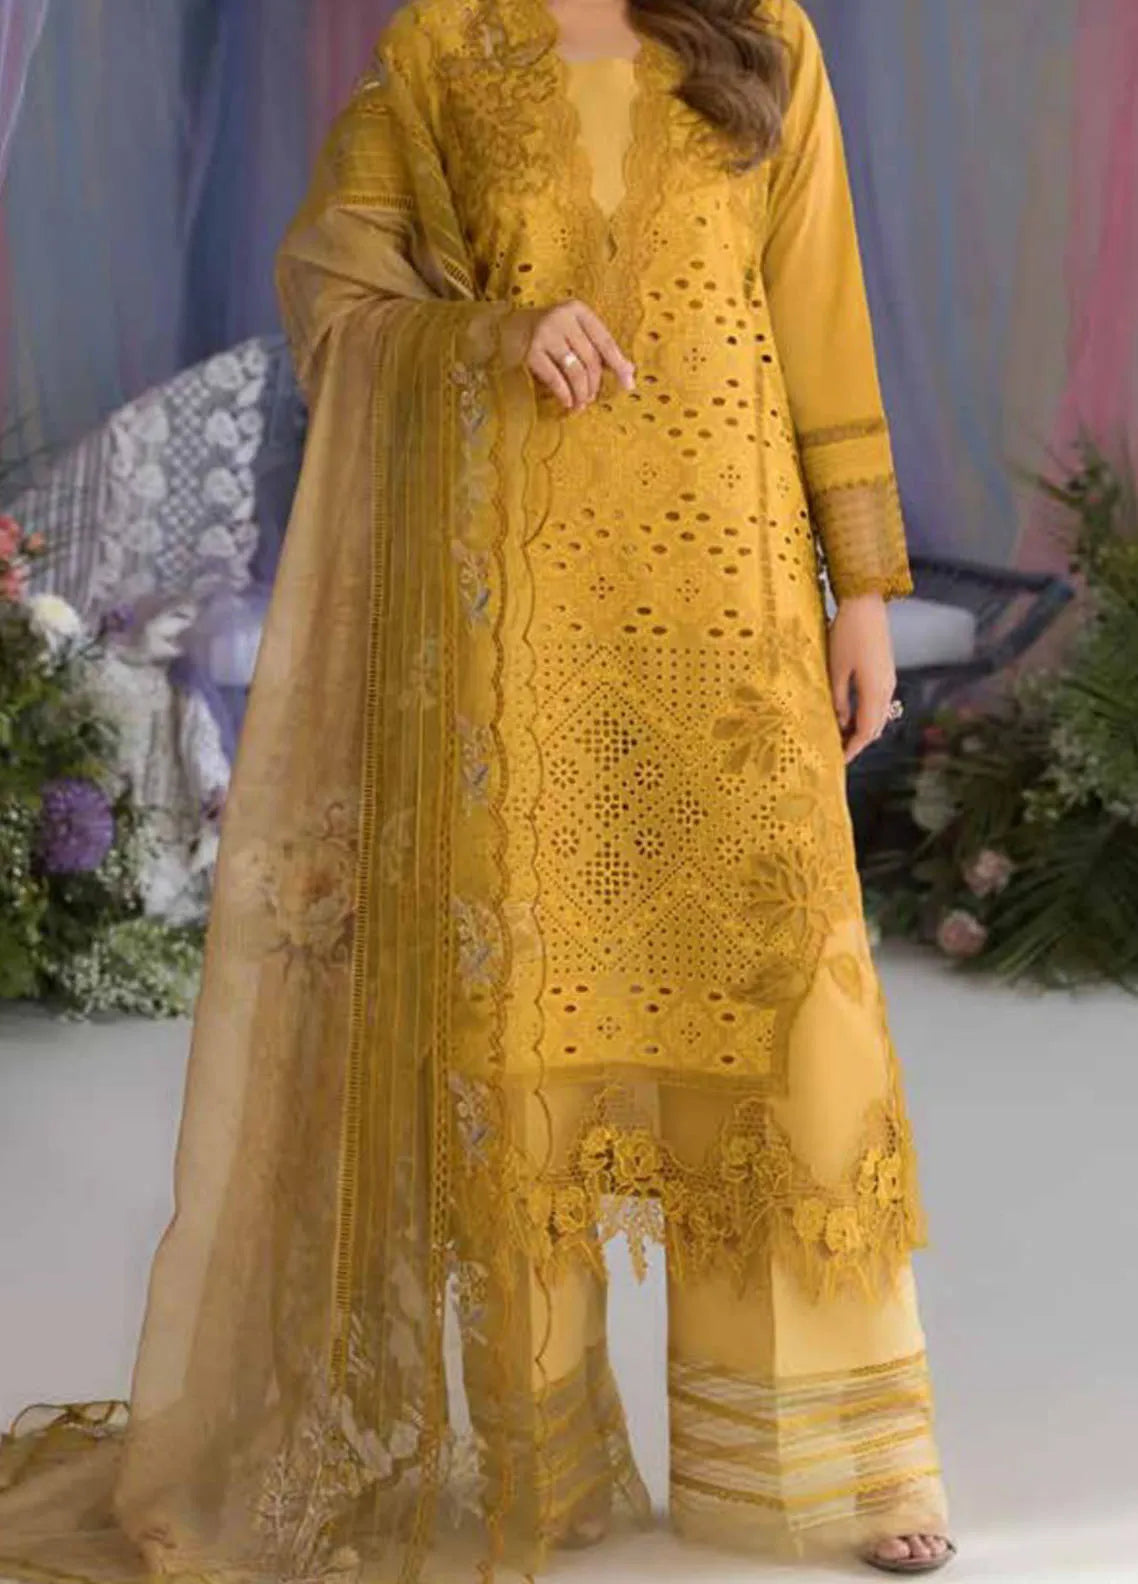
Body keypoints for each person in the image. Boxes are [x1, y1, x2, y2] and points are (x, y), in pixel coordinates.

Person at [0, 0, 956, 1577]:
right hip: (523, 607)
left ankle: (834, 1464)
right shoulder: (446, 48)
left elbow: (818, 312)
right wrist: (496, 334)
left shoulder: (759, 32)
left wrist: (859, 591)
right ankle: (543, 1465)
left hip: (728, 606)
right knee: (530, 1021)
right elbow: (334, 284)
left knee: (787, 1007)